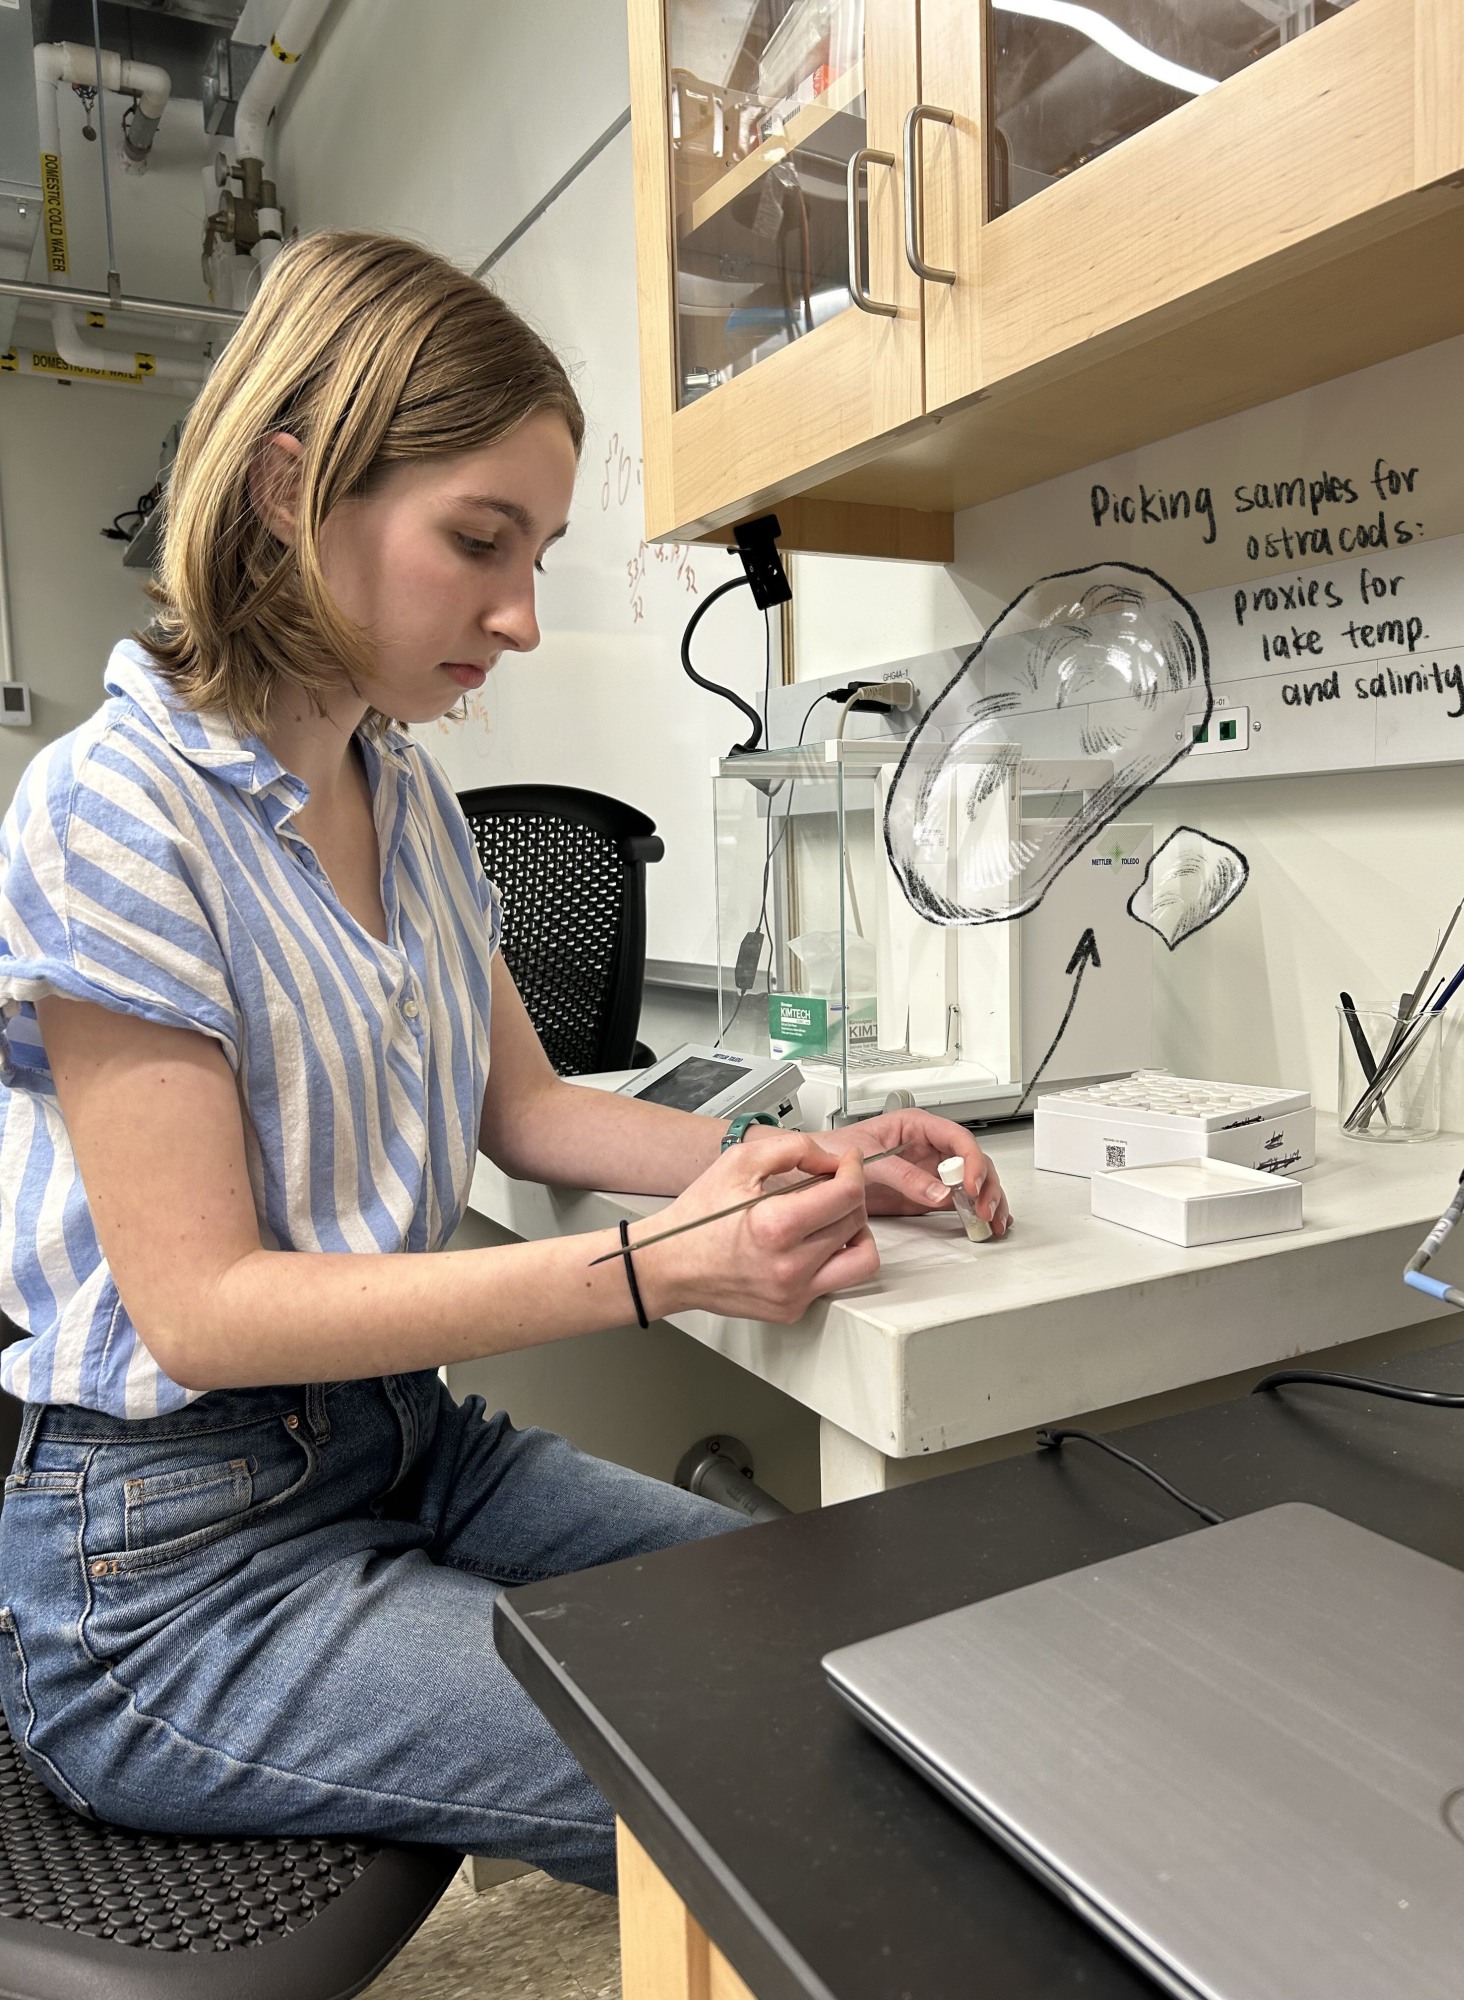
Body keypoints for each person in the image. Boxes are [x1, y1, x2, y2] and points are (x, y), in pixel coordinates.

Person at [0, 231, 1009, 1894]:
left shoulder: (402, 803)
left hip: (411, 1450)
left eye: (534, 553)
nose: (522, 617)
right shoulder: (113, 810)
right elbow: (206, 1309)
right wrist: (654, 1274)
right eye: (481, 543)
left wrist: (828, 1151)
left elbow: (524, 1110)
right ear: (284, 489)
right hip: (171, 1572)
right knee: (774, 1760)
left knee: (868, 1643)